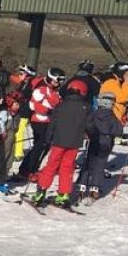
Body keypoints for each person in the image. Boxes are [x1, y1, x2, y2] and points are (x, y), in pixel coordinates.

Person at [28, 80, 91, 208]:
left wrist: (48, 139)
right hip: (74, 143)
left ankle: (41, 192)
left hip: (59, 141)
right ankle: (64, 194)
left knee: (51, 166)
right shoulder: (86, 107)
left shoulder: (61, 105)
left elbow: (53, 124)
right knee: (67, 168)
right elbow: (90, 126)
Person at [14, 67, 64, 182]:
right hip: (38, 120)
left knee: (44, 146)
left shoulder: (53, 89)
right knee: (39, 146)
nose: (57, 84)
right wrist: (48, 111)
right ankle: (28, 171)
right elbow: (33, 104)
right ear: (50, 78)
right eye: (56, 81)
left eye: (60, 82)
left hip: (48, 121)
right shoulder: (41, 87)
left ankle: (29, 170)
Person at [76, 92, 124, 203]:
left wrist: (87, 132)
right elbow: (118, 130)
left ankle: (82, 185)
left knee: (88, 162)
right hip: (106, 142)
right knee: (100, 164)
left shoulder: (94, 113)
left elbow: (87, 124)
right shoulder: (112, 117)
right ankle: (94, 187)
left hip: (94, 140)